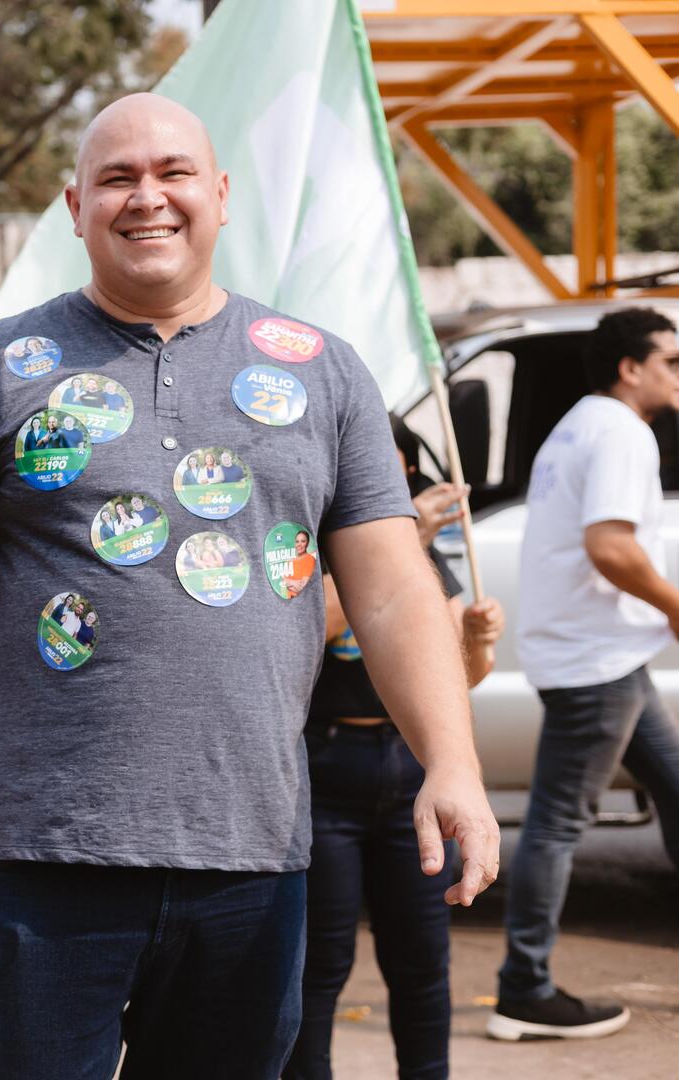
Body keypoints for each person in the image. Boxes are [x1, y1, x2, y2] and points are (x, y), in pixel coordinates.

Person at [0, 92, 498, 1080]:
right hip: (38, 863)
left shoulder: (325, 376)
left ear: (221, 195)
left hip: (251, 861)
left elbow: (392, 592)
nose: (146, 197)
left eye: (172, 173)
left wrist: (450, 762)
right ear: (74, 206)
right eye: (116, 177)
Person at [287, 415, 505, 1080]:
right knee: (319, 964)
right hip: (326, 770)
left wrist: (478, 640)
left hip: (409, 771)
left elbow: (459, 681)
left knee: (420, 961)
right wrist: (395, 546)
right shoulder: (304, 544)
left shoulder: (424, 552)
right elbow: (308, 634)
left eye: (398, 464)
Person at [491, 308, 679, 1041]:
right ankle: (523, 989)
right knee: (557, 824)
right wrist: (674, 604)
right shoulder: (621, 432)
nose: (677, 373)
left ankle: (523, 983)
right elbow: (610, 546)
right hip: (594, 662)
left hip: (605, 657)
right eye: (670, 360)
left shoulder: (581, 422)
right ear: (631, 367)